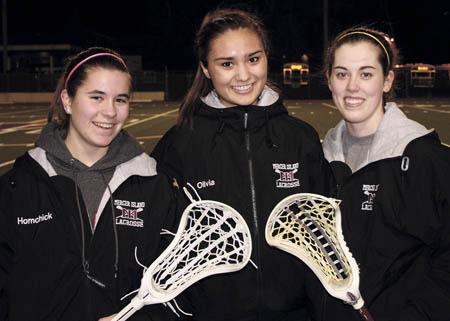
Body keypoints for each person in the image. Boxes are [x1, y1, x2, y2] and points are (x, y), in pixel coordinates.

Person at [151, 8, 335, 321]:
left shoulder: (300, 139)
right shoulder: (179, 145)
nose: (244, 75)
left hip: (296, 313)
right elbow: (160, 242)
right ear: (206, 69)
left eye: (253, 59)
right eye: (227, 64)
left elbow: (325, 235)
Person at [0, 47, 179, 321]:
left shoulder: (154, 185)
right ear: (68, 101)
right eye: (97, 97)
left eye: (120, 99)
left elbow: (173, 288)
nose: (110, 112)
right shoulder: (16, 188)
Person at [321, 27, 450, 320]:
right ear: (329, 80)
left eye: (366, 74)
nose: (352, 86)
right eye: (342, 74)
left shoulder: (424, 158)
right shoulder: (320, 157)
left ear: (387, 80)